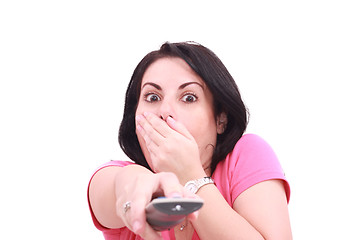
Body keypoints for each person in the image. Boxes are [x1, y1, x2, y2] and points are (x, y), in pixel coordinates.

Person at [87, 42, 292, 240]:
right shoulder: (113, 174)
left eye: (189, 98)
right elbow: (120, 185)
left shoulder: (247, 154)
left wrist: (189, 175)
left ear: (220, 118)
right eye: (152, 97)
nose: (165, 111)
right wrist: (133, 185)